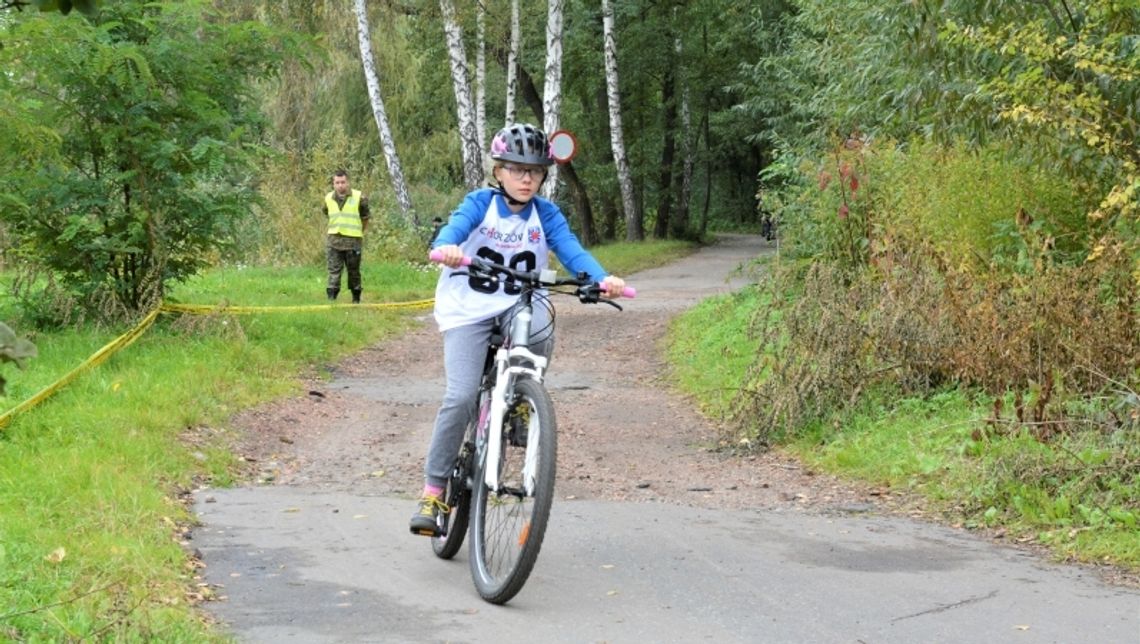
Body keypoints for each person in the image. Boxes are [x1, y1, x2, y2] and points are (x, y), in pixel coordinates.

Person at [410, 123, 626, 536]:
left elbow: (571, 250)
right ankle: (433, 490)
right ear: (499, 172)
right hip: (468, 308)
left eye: (535, 171)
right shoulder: (480, 204)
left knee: (542, 320)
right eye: (516, 169)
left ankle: (523, 397)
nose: (526, 178)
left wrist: (601, 278)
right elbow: (453, 229)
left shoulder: (546, 214)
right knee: (459, 397)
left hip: (516, 304)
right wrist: (448, 247)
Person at [323, 169, 370, 303]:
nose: (340, 185)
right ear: (333, 183)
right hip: (334, 241)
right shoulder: (328, 198)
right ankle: (331, 299)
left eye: (343, 182)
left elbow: (365, 217)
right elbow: (327, 213)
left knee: (353, 272)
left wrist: (360, 231)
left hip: (353, 241)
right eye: (337, 182)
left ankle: (356, 299)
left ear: (348, 182)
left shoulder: (359, 197)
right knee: (334, 271)